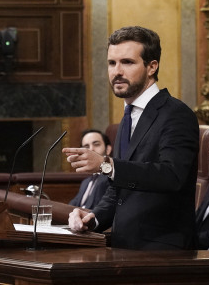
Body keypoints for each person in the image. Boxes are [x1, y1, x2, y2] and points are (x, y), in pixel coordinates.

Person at [64, 26, 199, 250]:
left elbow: (172, 176)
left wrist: (106, 165)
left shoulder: (176, 113)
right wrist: (93, 219)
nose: (117, 71)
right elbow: (120, 188)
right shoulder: (128, 116)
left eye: (127, 62)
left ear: (151, 66)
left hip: (164, 253)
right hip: (125, 247)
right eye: (111, 63)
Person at [68, 129, 112, 210]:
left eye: (96, 144)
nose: (91, 149)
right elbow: (69, 208)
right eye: (86, 147)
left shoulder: (111, 178)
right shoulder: (85, 182)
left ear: (108, 149)